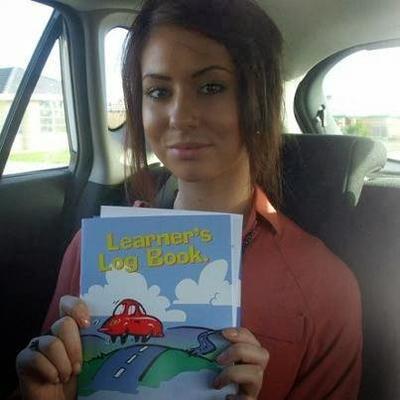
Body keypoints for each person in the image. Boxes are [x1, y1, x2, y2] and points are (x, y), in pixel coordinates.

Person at [15, 0, 362, 399]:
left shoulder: (325, 288)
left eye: (211, 87)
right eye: (158, 91)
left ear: (260, 99)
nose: (179, 116)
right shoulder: (92, 250)